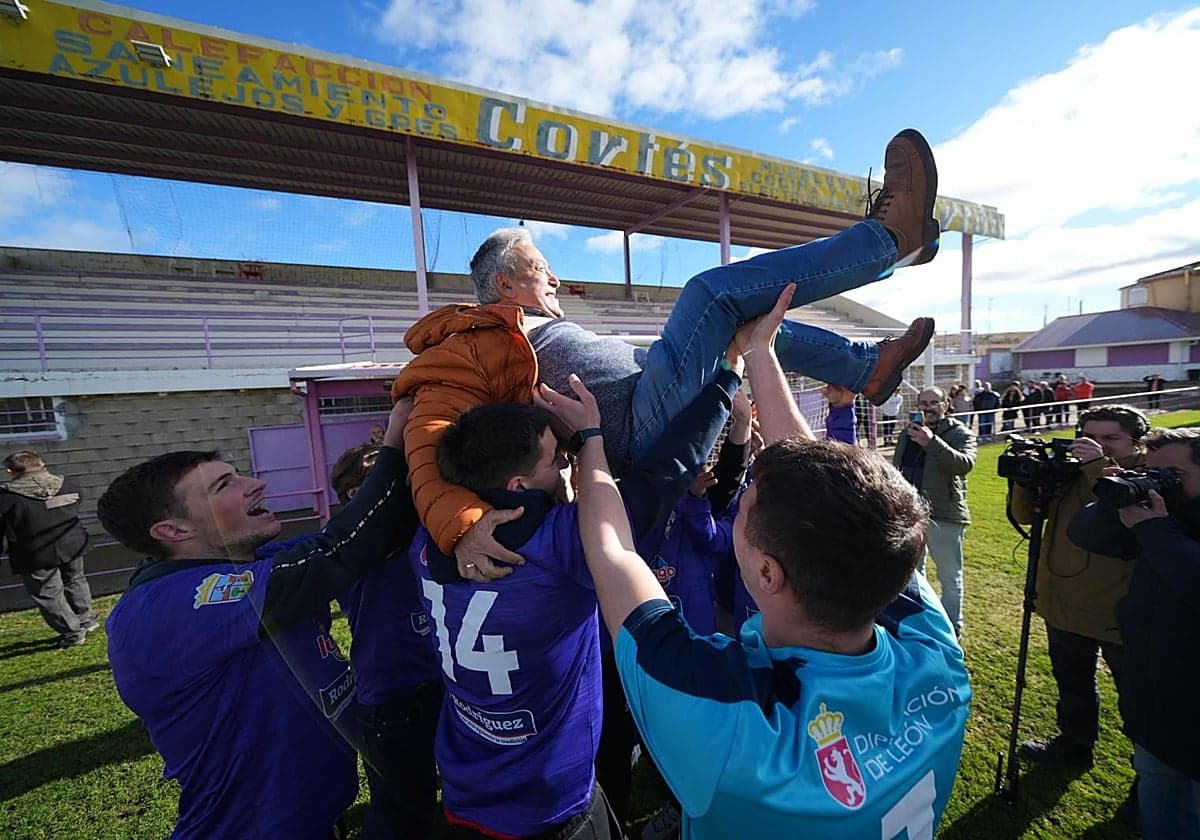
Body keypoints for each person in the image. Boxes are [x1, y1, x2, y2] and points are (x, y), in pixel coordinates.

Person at [391, 128, 941, 577]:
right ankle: (886, 241)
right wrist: (461, 525)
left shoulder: (534, 325)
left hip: (649, 393)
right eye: (541, 267)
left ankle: (867, 367)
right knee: (709, 293)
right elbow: (427, 434)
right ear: (507, 284)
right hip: (637, 424)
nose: (556, 277)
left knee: (745, 322)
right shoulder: (467, 343)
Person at [542, 292, 970, 837]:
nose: (735, 504)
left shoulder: (726, 715)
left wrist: (591, 442)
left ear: (767, 573)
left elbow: (614, 552)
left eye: (742, 508)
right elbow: (824, 486)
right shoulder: (934, 655)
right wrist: (760, 353)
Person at [97, 400, 510, 839]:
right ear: (174, 531)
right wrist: (393, 441)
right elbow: (340, 551)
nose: (255, 484)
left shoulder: (254, 563)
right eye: (224, 486)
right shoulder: (168, 605)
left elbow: (370, 538)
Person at [413, 334, 743, 839]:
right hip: (547, 801)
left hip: (464, 785)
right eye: (555, 460)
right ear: (518, 487)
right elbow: (661, 477)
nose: (566, 464)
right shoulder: (557, 546)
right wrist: (593, 434)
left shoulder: (435, 533)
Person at [1011, 406, 1149, 823]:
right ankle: (1075, 743)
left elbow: (1125, 520)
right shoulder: (1071, 472)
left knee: (1140, 701)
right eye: (1088, 436)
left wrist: (1098, 465)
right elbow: (1024, 517)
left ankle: (1150, 781)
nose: (1095, 444)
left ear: (1136, 443)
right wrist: (1024, 480)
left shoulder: (1146, 477)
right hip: (1064, 602)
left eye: (1111, 439)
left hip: (1119, 610)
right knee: (1072, 682)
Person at [1068, 429, 1200, 838]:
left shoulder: (1162, 529)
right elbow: (1084, 531)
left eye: (1173, 475)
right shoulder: (1162, 518)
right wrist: (1125, 493)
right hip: (1158, 711)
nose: (1160, 482)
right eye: (1152, 471)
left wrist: (1157, 530)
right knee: (1161, 814)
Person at [328, 443, 444, 840]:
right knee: (400, 812)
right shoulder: (350, 545)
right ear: (354, 496)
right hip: (393, 699)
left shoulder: (417, 527)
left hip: (444, 684)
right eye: (392, 480)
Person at [893, 387, 977, 637]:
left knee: (950, 577)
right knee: (913, 574)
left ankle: (953, 628)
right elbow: (898, 469)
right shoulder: (907, 435)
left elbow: (964, 465)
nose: (928, 407)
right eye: (923, 402)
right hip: (911, 514)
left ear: (946, 404)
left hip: (944, 514)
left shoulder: (960, 433)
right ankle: (923, 621)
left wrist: (931, 443)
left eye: (933, 402)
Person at [1, 451, 96, 648]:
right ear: (41, 464)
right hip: (72, 543)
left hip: (34, 552)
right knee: (75, 579)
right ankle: (86, 619)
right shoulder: (69, 485)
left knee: (48, 593)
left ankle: (72, 632)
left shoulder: (6, 497)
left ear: (11, 471)